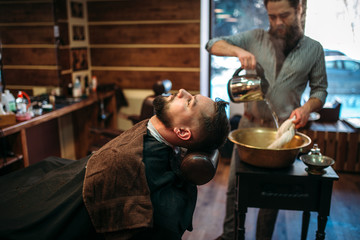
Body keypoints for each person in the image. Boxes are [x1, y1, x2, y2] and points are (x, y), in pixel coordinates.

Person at [0, 89, 230, 240]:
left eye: (189, 101)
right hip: (68, 177)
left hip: (51, 210)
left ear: (181, 131)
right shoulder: (150, 155)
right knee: (49, 166)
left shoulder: (127, 165)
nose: (181, 91)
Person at [206, 0, 328, 239]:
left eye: (284, 16)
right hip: (248, 127)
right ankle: (230, 235)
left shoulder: (314, 49)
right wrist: (238, 51)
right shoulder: (255, 38)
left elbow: (320, 91)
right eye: (272, 17)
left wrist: (306, 108)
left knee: (271, 195)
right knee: (234, 189)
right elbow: (212, 45)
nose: (278, 22)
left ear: (299, 9)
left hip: (282, 133)